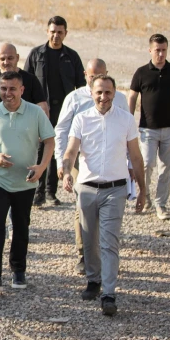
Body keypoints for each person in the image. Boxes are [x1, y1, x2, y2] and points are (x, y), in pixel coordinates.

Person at [61, 75, 146, 317]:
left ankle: (109, 294)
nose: (103, 97)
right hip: (87, 188)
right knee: (89, 240)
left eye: (108, 92)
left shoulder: (126, 120)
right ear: (91, 93)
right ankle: (93, 280)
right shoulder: (81, 119)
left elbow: (136, 156)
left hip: (115, 190)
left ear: (114, 93)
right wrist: (66, 171)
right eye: (99, 92)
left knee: (109, 242)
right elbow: (71, 151)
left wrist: (142, 189)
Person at [0, 71, 55, 292]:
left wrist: (42, 167)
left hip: (25, 180)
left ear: (21, 90)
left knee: (20, 226)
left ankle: (18, 270)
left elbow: (49, 141)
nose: (7, 93)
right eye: (3, 88)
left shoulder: (35, 112)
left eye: (12, 89)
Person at [54, 58, 129, 275]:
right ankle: (84, 255)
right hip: (80, 160)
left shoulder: (119, 99)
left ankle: (106, 256)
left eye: (100, 74)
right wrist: (62, 163)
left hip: (111, 162)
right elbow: (62, 130)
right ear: (85, 75)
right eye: (92, 75)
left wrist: (130, 164)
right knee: (83, 208)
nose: (96, 79)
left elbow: (127, 131)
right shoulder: (74, 98)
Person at [0, 42, 48, 244]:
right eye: (2, 58)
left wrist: (41, 133)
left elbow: (42, 107)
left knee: (16, 190)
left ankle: (12, 228)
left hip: (21, 146)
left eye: (10, 58)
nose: (6, 62)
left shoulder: (30, 81)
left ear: (17, 58)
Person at [128, 33, 170, 220]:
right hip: (148, 129)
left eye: (164, 50)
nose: (161, 54)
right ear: (150, 50)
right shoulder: (141, 72)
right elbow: (132, 96)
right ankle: (145, 195)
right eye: (157, 50)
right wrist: (128, 120)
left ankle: (161, 204)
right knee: (146, 164)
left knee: (166, 168)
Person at [25, 16, 85, 207]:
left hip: (64, 113)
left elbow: (82, 86)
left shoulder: (72, 57)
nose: (56, 35)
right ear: (47, 32)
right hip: (40, 111)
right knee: (40, 150)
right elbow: (25, 83)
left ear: (66, 33)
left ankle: (51, 192)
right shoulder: (36, 54)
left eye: (60, 32)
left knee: (57, 150)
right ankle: (38, 191)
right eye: (53, 32)